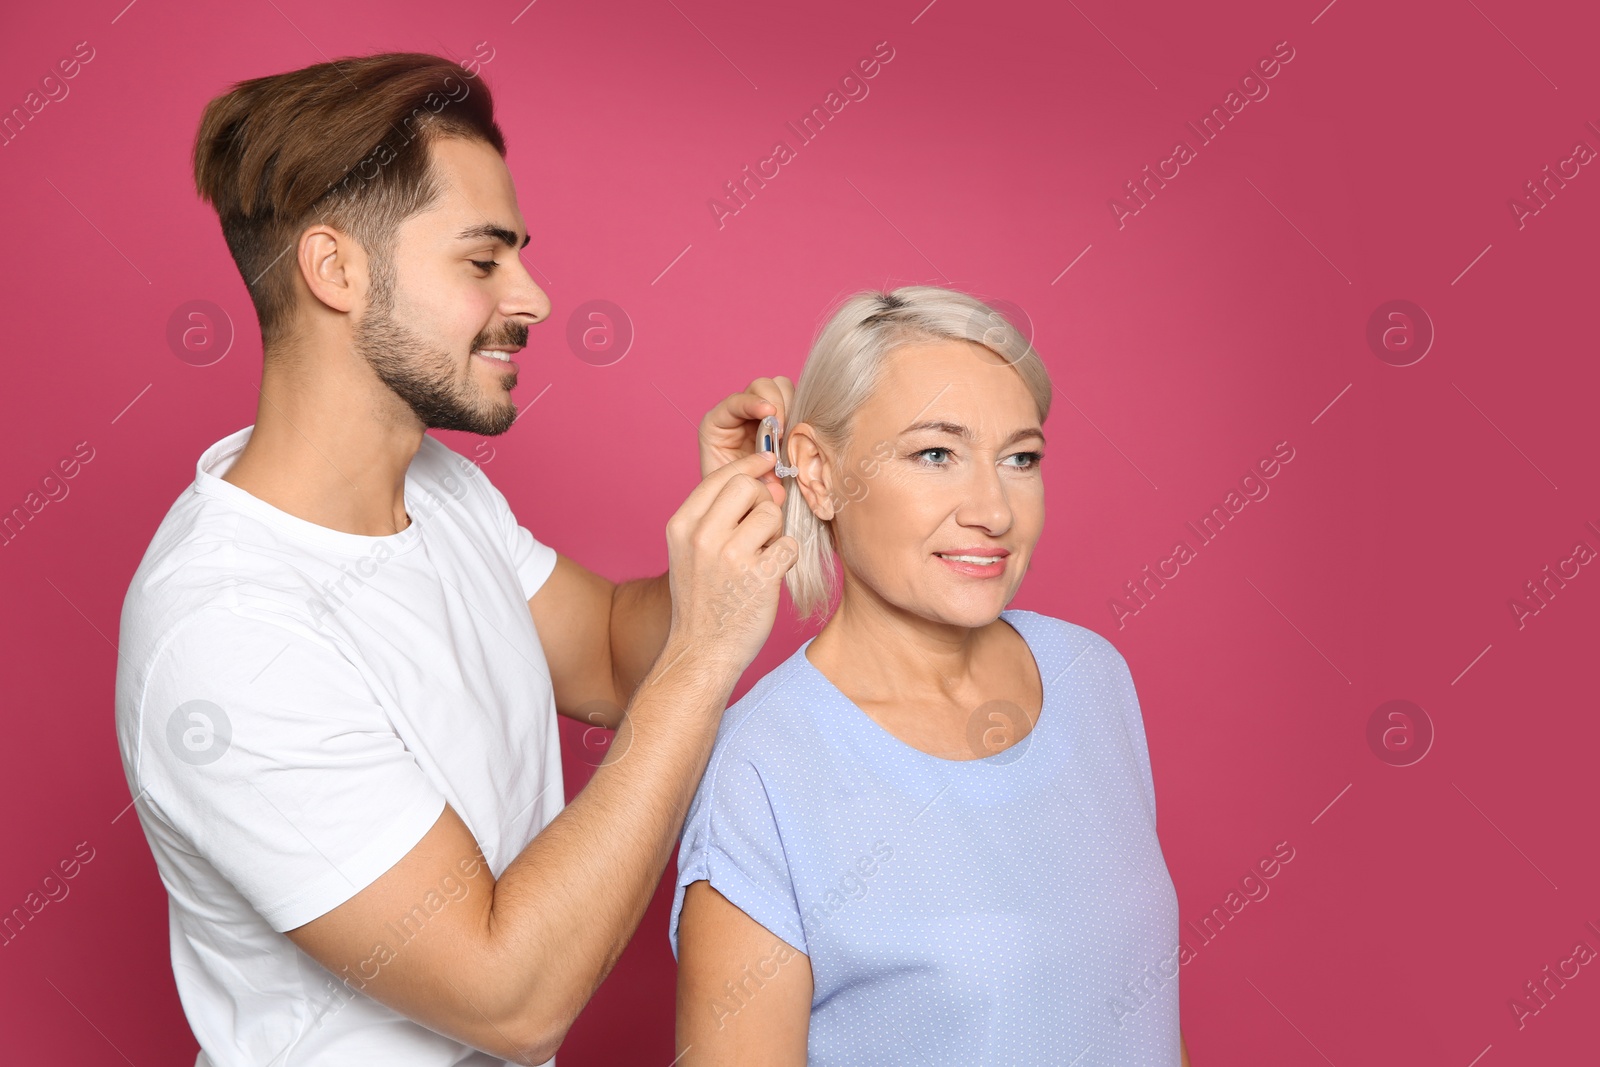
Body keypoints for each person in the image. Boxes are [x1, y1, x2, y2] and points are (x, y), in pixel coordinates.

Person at [114, 52, 797, 1066]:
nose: (535, 297)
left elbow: (611, 656)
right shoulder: (227, 632)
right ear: (335, 269)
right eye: (482, 262)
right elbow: (508, 994)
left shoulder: (439, 492)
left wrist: (727, 521)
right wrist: (703, 658)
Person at [670, 286, 1191, 1065]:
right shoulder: (761, 770)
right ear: (815, 470)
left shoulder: (1092, 677)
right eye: (935, 454)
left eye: (1020, 458)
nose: (993, 508)